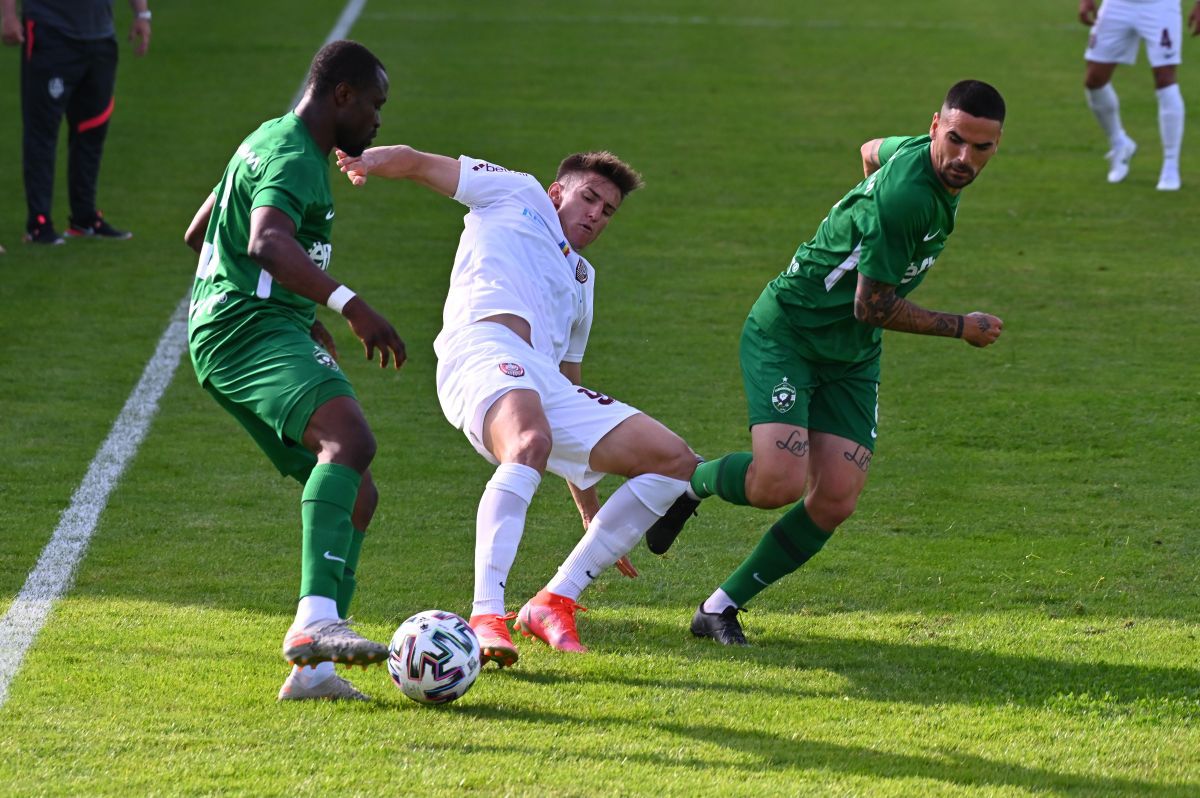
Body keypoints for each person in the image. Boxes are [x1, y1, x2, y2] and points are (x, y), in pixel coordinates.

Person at [647, 80, 1006, 646]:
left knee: (836, 498)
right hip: (788, 333)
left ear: (996, 144)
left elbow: (869, 149)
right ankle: (689, 483)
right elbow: (872, 305)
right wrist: (963, 326)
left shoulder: (915, 154)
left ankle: (718, 608)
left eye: (981, 148)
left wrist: (857, 223)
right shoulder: (906, 200)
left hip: (851, 355)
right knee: (776, 484)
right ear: (935, 126)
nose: (965, 158)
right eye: (956, 141)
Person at [336, 145, 699, 667]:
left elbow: (571, 388)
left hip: (544, 382)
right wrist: (366, 161)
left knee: (675, 462)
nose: (596, 214)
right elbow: (417, 162)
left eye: (608, 210)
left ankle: (554, 601)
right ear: (557, 193)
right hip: (482, 350)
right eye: (589, 198)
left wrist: (586, 499)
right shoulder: (517, 192)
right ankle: (487, 614)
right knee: (529, 442)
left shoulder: (583, 280)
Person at [184, 40, 405, 701]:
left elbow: (202, 232)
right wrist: (348, 306)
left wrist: (291, 309)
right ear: (342, 96)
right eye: (374, 104)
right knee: (351, 441)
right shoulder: (294, 159)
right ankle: (316, 626)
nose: (377, 121)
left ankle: (313, 675)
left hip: (249, 325)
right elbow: (266, 242)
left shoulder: (266, 138)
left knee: (358, 492)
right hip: (243, 333)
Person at [1, 0, 151, 244]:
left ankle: (84, 217)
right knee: (42, 132)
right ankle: (38, 223)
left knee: (92, 128)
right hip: (50, 32)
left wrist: (142, 14)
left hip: (100, 36)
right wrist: (8, 16)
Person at [1079, 0, 1200, 190]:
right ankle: (1119, 143)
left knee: (1165, 78)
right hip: (1117, 5)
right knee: (1094, 80)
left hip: (1160, 6)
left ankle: (1170, 166)